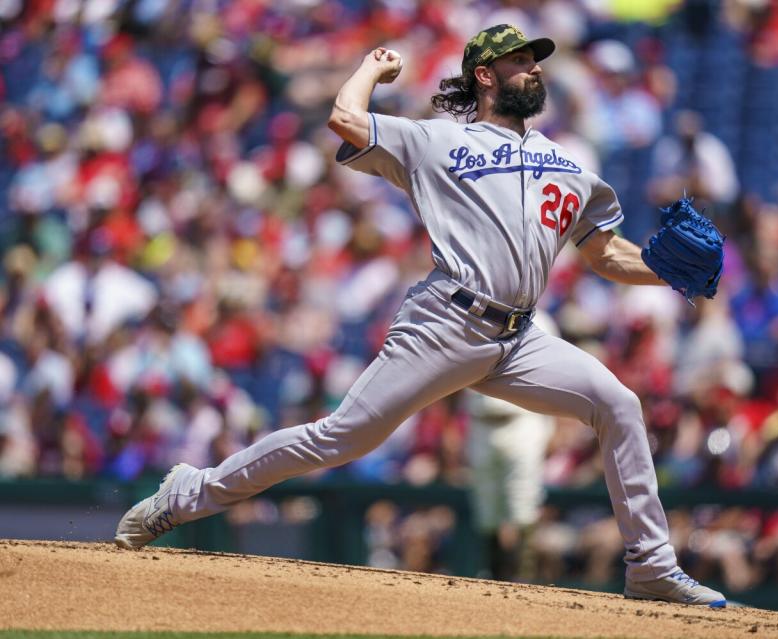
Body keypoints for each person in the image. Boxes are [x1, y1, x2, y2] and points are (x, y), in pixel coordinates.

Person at [114, 24, 726, 607]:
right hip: (445, 323)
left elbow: (608, 254)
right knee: (341, 437)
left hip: (519, 339)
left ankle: (650, 566)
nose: (534, 67)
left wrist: (668, 270)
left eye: (535, 59)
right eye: (519, 60)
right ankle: (188, 492)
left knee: (618, 404)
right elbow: (344, 119)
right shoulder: (435, 139)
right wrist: (371, 68)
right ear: (485, 75)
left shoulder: (570, 166)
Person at [466, 311, 558, 583]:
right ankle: (493, 576)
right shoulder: (472, 314)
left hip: (524, 419)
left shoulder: (542, 319)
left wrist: (551, 425)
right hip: (481, 421)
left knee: (524, 502)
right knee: (486, 508)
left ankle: (524, 580)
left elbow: (554, 376)